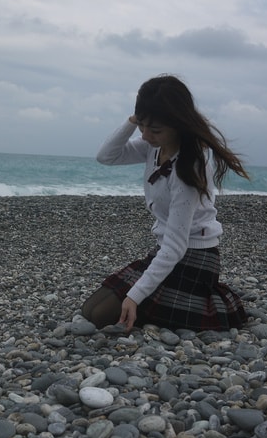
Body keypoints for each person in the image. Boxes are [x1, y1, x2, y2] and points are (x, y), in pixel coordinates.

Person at [82, 74, 249, 333]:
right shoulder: (154, 147)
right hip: (165, 251)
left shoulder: (188, 169)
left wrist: (134, 296)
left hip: (195, 257)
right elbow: (106, 156)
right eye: (142, 126)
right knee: (89, 310)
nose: (146, 135)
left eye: (156, 130)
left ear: (178, 124)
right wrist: (134, 119)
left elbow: (175, 246)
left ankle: (210, 300)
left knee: (101, 316)